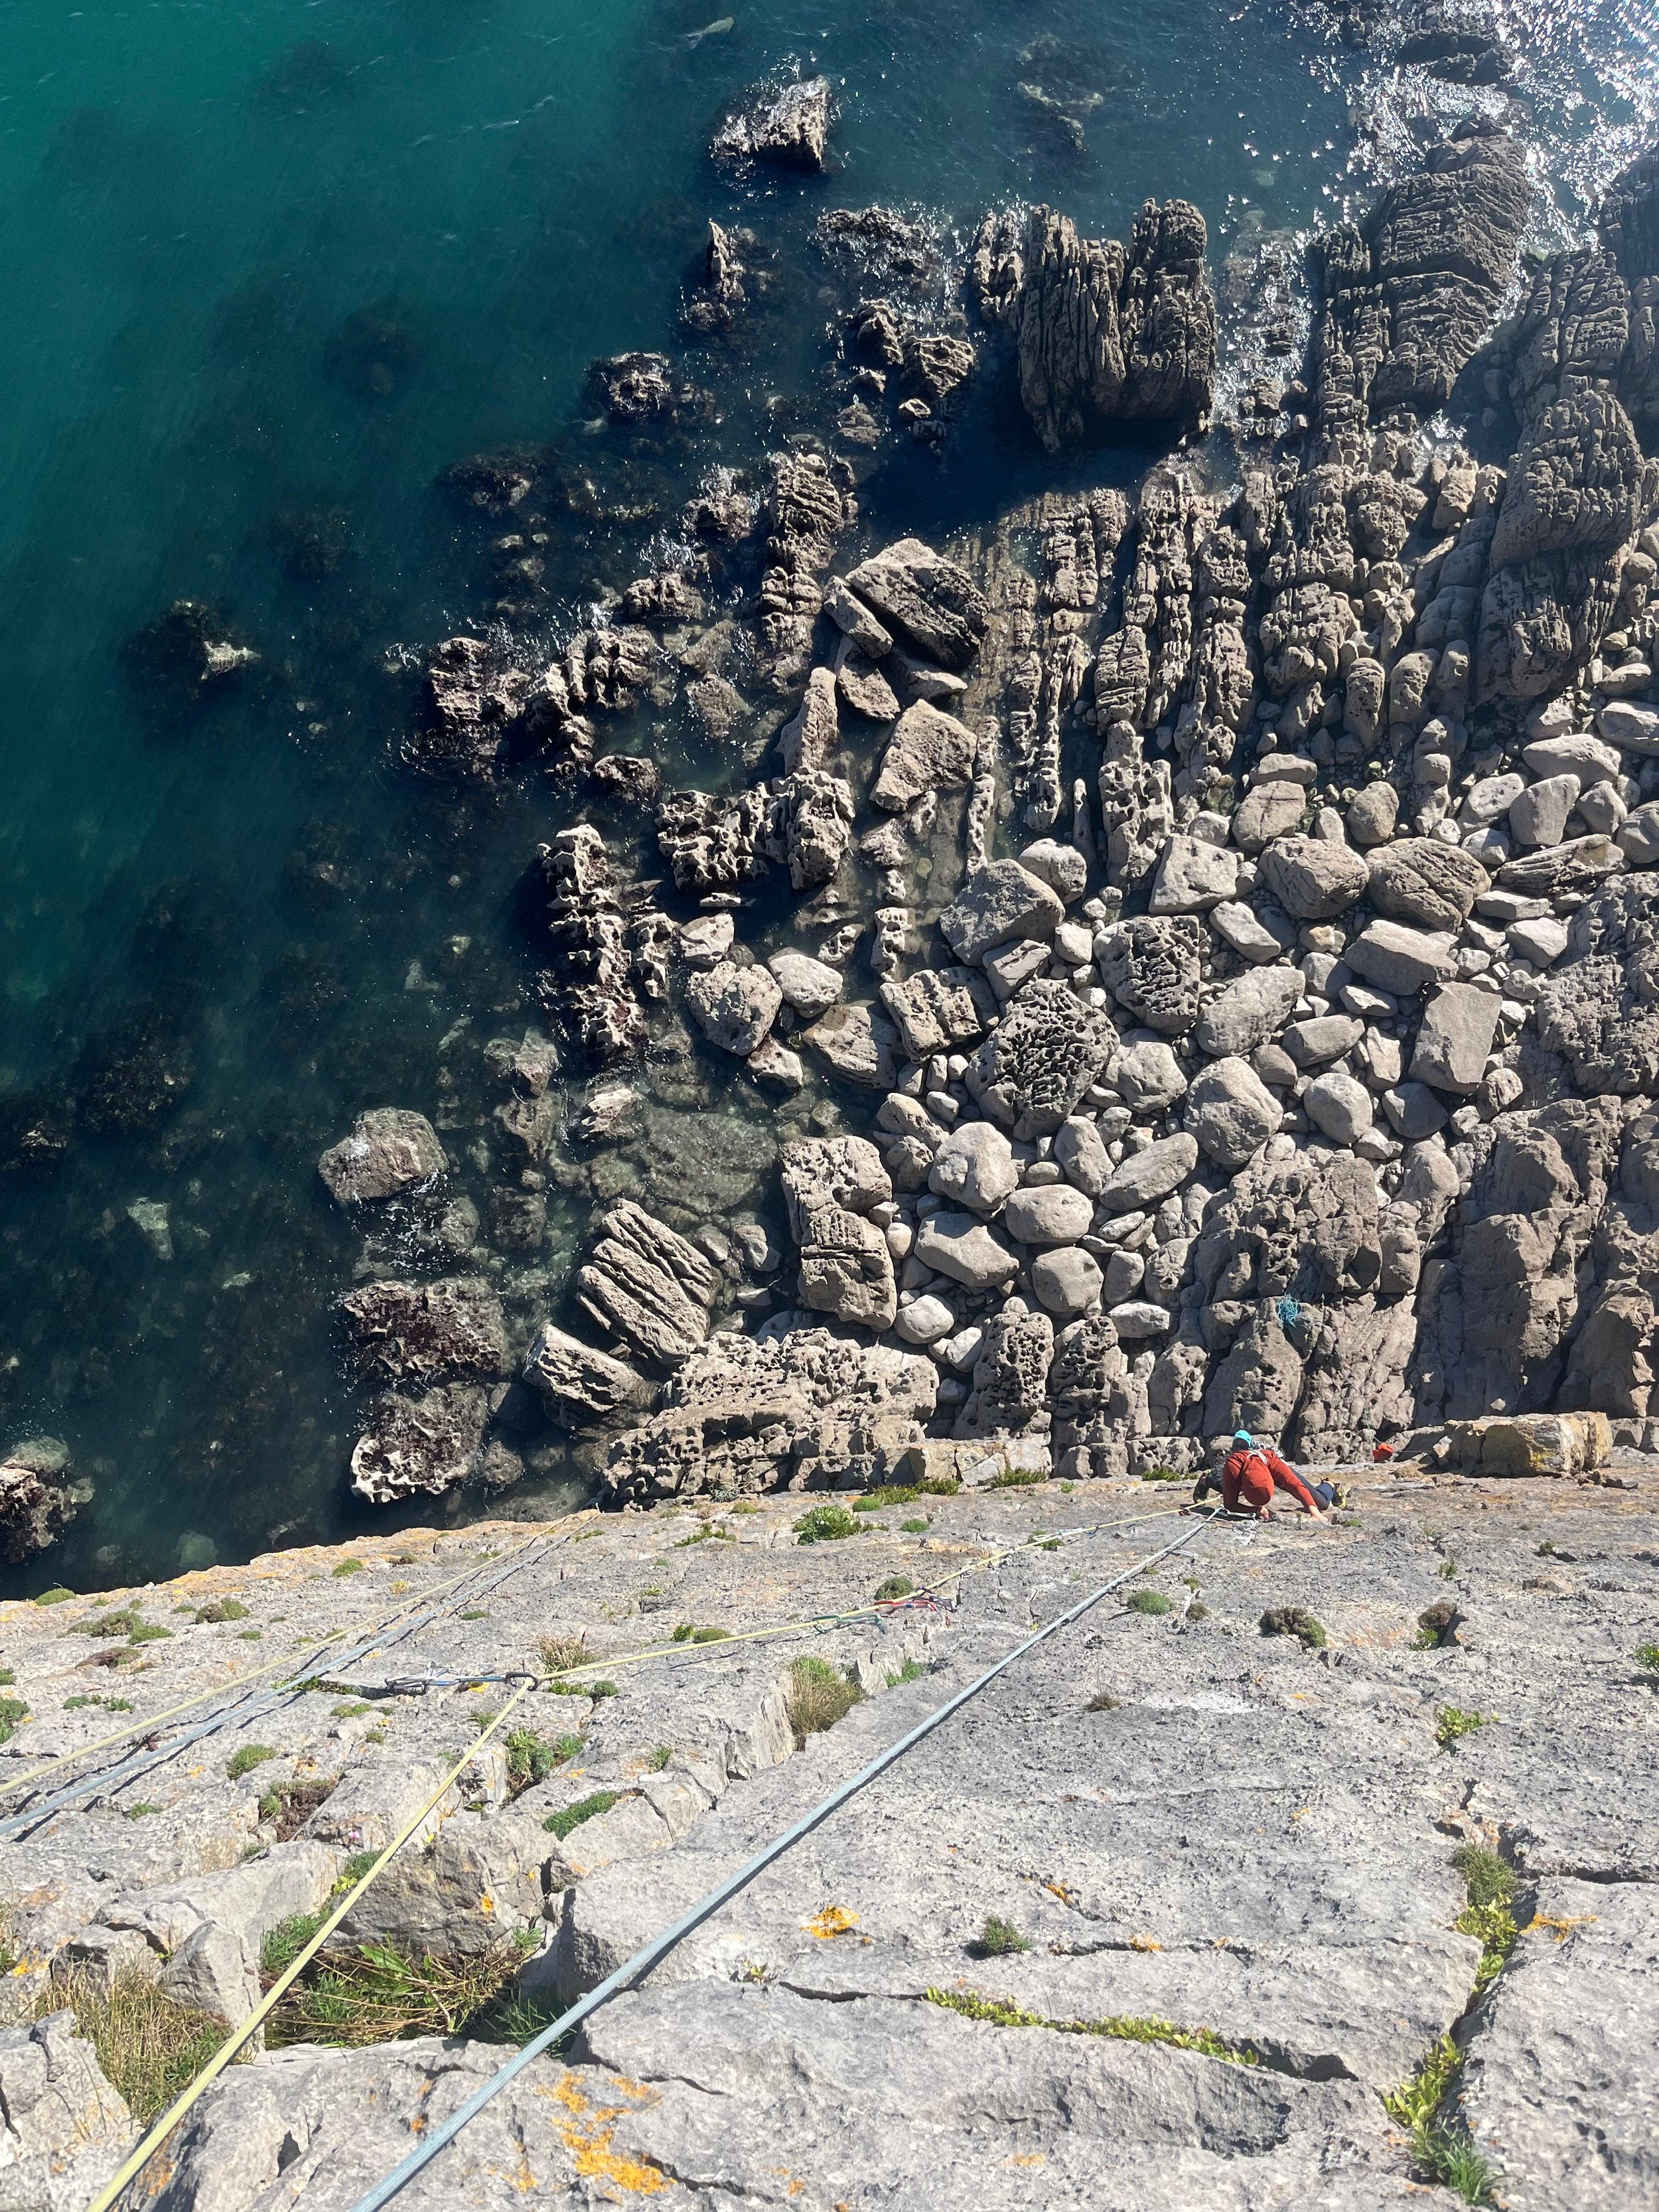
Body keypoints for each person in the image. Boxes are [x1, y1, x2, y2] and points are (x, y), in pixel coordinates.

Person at [1194, 1432, 1340, 1520]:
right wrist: (1258, 1510)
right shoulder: (1233, 1465)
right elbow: (1230, 1505)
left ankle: (1329, 1485)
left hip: (1272, 1465)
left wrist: (1313, 1511)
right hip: (1244, 1467)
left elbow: (1296, 1485)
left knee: (1322, 1504)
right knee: (1227, 1489)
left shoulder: (1271, 1459)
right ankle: (1205, 1481)